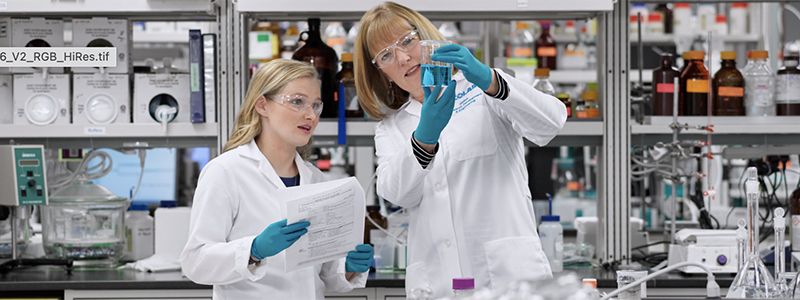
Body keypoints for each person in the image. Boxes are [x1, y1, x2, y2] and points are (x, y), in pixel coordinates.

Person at [354, 2, 568, 298]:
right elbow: (397, 194)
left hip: (507, 278)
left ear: (426, 38)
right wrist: (423, 139)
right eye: (386, 55)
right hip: (437, 282)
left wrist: (490, 79)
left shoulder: (482, 90)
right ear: (382, 72)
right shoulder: (391, 129)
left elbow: (551, 123)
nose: (403, 57)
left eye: (407, 40)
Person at [180, 59, 374, 299]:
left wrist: (349, 269)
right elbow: (196, 262)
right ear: (262, 105)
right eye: (297, 102)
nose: (311, 114)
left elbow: (322, 276)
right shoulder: (225, 171)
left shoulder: (316, 179)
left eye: (316, 105)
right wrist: (254, 250)